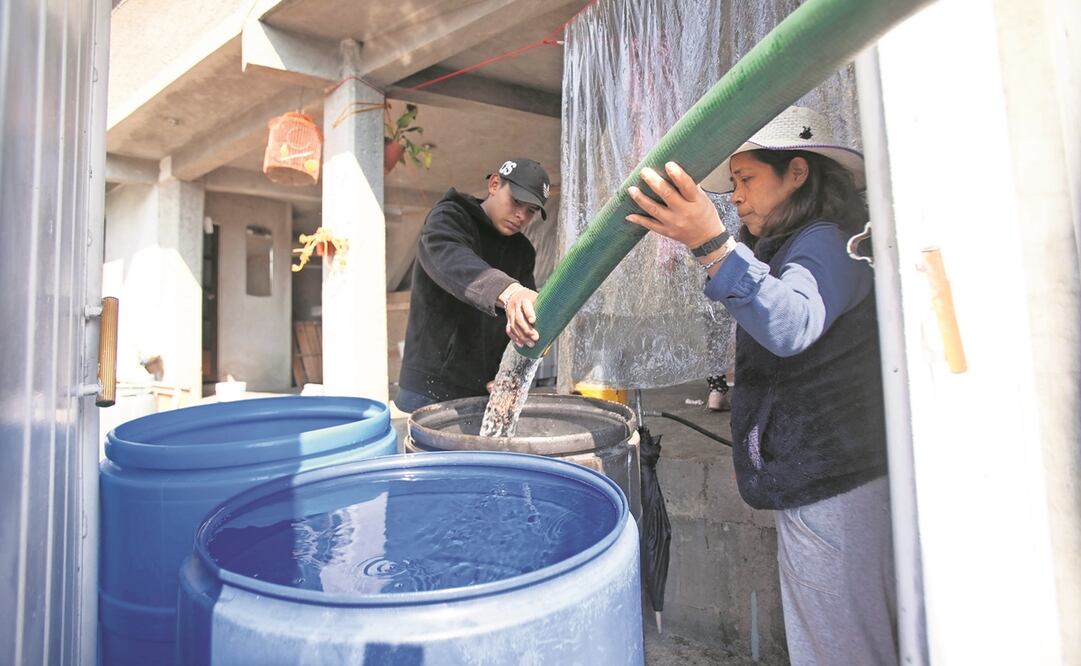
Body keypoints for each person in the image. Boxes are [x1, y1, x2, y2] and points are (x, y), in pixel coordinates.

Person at [626, 106, 895, 665]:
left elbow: (792, 324)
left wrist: (713, 245)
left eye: (746, 179)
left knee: (836, 646)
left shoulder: (827, 241)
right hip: (824, 479)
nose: (736, 196)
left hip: (832, 485)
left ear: (797, 172)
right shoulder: (802, 242)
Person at [394, 158, 550, 413]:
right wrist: (511, 292)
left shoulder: (523, 251)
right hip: (429, 386)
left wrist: (511, 371)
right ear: (494, 184)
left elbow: (521, 322)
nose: (521, 215)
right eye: (517, 201)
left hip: (484, 389)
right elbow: (453, 260)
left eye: (531, 210)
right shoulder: (449, 218)